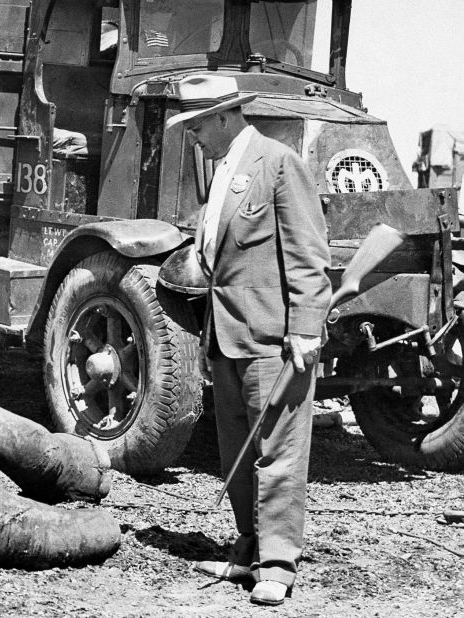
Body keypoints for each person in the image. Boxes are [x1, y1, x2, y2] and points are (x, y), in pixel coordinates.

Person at [167, 75, 330, 607]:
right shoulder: (222, 172)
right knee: (235, 449)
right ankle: (250, 547)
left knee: (277, 452)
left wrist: (305, 327)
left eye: (195, 127)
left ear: (221, 117)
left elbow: (308, 254)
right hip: (226, 335)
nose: (193, 137)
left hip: (274, 339)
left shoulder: (277, 162)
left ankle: (279, 563)